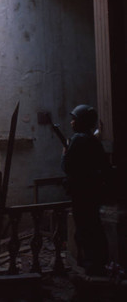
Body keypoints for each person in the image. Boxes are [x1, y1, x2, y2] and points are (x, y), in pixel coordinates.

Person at [61, 104, 111, 275]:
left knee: (84, 228)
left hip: (81, 193)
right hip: (93, 192)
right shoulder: (93, 141)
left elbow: (67, 166)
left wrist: (65, 153)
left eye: (74, 119)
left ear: (80, 122)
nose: (71, 123)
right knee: (93, 225)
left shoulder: (78, 139)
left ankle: (91, 264)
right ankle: (98, 262)